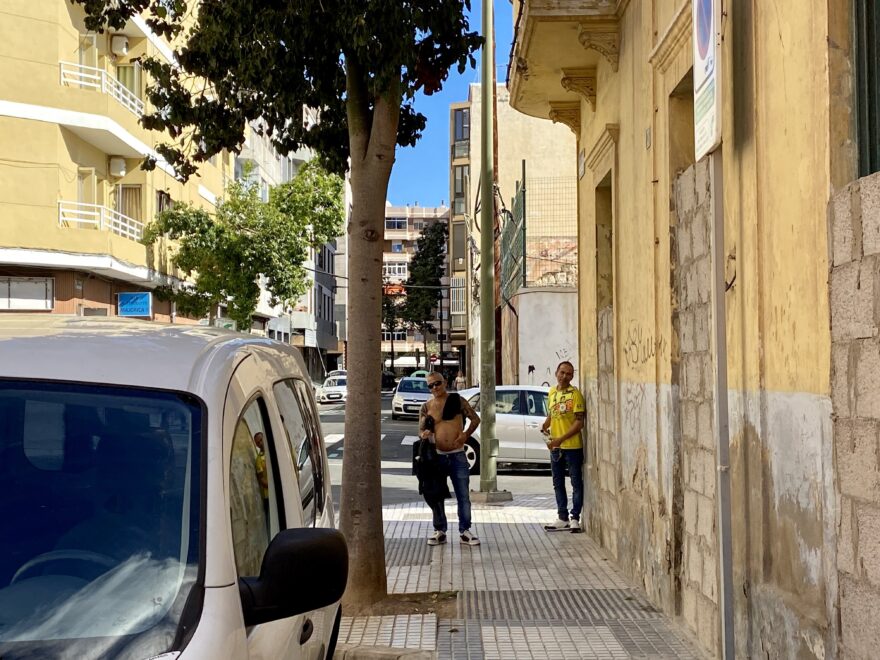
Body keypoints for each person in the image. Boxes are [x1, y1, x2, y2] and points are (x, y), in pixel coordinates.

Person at [419, 371, 481, 546]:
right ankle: (440, 530)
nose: (435, 388)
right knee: (436, 495)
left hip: (458, 456)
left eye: (437, 383)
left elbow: (475, 419)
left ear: (445, 382)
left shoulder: (457, 401)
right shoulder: (426, 406)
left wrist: (465, 435)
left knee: (463, 495)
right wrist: (425, 434)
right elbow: (420, 429)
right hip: (436, 457)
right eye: (430, 385)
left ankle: (465, 530)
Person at [542, 361, 586, 533]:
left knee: (576, 482)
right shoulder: (552, 392)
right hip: (555, 447)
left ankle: (575, 517)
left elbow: (579, 422)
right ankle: (562, 517)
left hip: (572, 446)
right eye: (562, 372)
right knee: (557, 483)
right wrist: (545, 426)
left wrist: (561, 439)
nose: (564, 376)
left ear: (572, 376)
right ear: (556, 373)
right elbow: (552, 414)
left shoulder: (575, 395)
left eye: (568, 374)